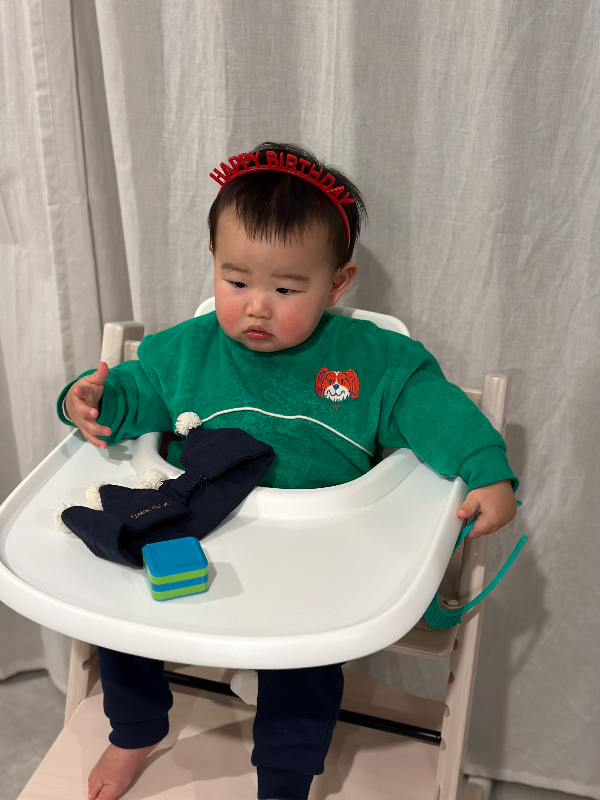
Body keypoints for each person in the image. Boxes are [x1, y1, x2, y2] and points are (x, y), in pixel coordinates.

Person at [58, 142, 517, 800]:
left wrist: (485, 469)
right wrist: (94, 401)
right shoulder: (187, 351)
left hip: (312, 558)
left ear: (337, 282)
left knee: (308, 659)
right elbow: (136, 391)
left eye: (285, 288)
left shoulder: (373, 361)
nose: (257, 307)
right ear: (213, 262)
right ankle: (134, 729)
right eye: (236, 282)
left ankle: (283, 778)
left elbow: (432, 407)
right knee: (116, 610)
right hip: (197, 531)